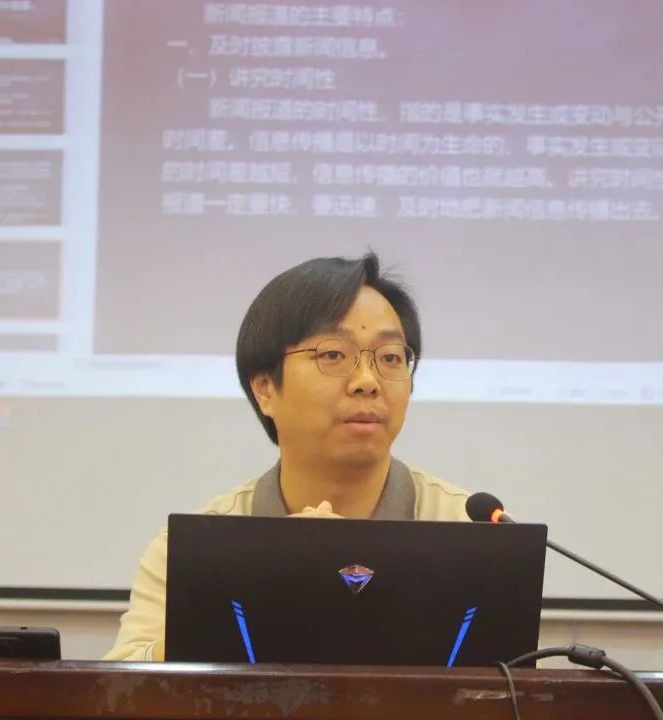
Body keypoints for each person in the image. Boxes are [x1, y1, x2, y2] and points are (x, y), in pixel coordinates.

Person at [104, 252, 471, 661]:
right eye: (333, 355)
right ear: (265, 388)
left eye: (390, 358)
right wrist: (262, 590)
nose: (368, 381)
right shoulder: (193, 552)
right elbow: (120, 682)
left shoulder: (474, 533)